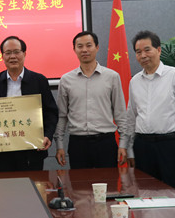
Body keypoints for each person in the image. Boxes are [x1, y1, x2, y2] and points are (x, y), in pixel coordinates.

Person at [126, 30, 175, 190]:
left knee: (172, 192)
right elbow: (131, 116)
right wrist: (130, 149)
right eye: (138, 52)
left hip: (168, 145)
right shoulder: (135, 81)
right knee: (145, 192)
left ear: (159, 50)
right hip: (142, 146)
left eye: (147, 50)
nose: (143, 55)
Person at [54, 31, 129, 169]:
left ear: (97, 47)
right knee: (80, 183)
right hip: (78, 144)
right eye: (80, 46)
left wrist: (124, 144)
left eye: (89, 45)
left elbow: (120, 114)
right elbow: (62, 116)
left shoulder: (112, 77)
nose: (84, 50)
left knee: (108, 182)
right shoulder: (66, 80)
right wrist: (59, 145)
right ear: (74, 49)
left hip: (105, 143)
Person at [0, 36, 58, 172]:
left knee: (34, 184)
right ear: (2, 56)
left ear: (24, 54)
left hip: (32, 150)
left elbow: (51, 112)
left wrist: (47, 135)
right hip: (3, 151)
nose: (12, 56)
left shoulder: (39, 80)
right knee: (4, 184)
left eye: (16, 52)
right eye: (8, 53)